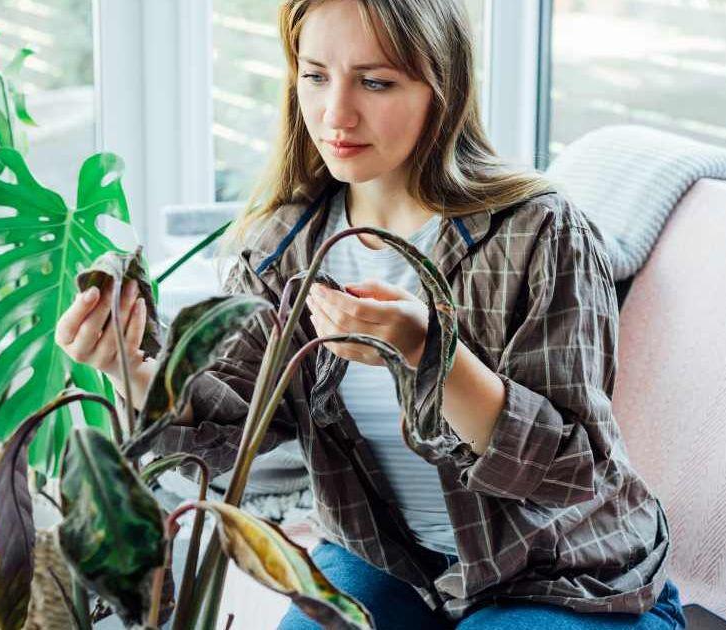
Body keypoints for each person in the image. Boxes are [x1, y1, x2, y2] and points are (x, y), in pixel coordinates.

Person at [55, 0, 685, 628]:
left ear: (442, 89)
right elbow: (236, 421)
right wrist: (128, 365)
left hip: (564, 574)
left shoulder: (539, 232)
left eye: (376, 82)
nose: (336, 114)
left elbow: (571, 470)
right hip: (390, 560)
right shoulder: (281, 245)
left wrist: (430, 355)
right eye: (315, 75)